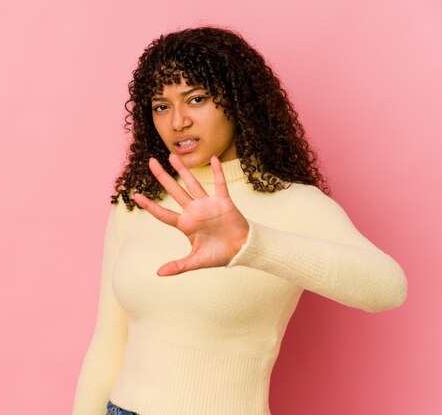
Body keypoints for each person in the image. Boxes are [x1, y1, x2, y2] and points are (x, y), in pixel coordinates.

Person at [71, 25, 408, 415]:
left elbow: (388, 288)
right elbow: (108, 345)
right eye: (161, 106)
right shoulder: (139, 200)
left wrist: (252, 244)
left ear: (237, 101)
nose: (177, 121)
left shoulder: (292, 203)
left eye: (195, 99)